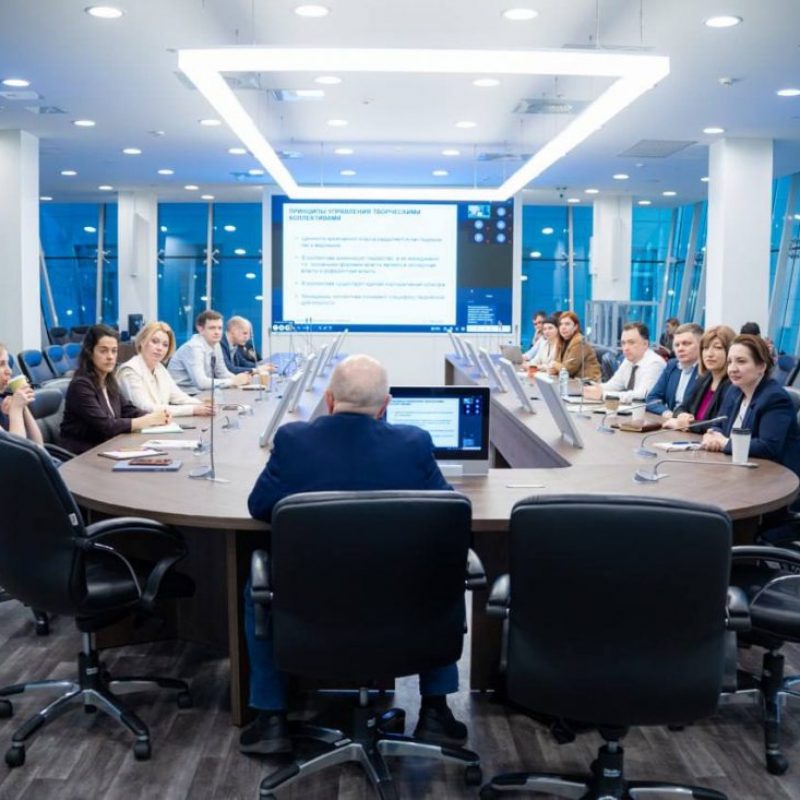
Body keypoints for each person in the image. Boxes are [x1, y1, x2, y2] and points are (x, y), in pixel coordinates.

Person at [242, 355, 466, 755]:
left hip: (311, 607)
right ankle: (435, 710)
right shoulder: (414, 443)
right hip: (402, 607)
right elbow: (446, 510)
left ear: (329, 399)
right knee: (440, 573)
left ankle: (271, 717)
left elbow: (259, 506)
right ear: (385, 406)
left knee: (256, 585)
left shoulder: (293, 441)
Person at [60, 325, 169, 454]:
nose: (110, 356)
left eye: (114, 351)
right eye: (103, 351)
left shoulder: (108, 380)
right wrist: (148, 420)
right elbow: (107, 426)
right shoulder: (81, 385)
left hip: (108, 447)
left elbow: (128, 410)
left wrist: (156, 417)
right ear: (90, 352)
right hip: (83, 455)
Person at [702, 334, 800, 477]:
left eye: (741, 361)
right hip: (739, 468)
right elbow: (719, 423)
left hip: (774, 476)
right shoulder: (734, 390)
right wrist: (711, 435)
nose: (732, 369)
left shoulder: (774, 398)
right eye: (729, 362)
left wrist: (724, 443)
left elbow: (768, 447)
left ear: (761, 366)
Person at [117, 321, 214, 417]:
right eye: (154, 341)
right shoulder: (129, 370)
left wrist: (202, 405)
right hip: (140, 425)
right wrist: (193, 409)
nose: (160, 348)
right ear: (142, 342)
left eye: (165, 345)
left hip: (158, 423)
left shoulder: (160, 368)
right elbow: (146, 408)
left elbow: (178, 396)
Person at [663, 325, 735, 431]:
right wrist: (682, 415)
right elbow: (681, 407)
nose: (709, 354)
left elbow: (720, 424)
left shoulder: (733, 385)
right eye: (705, 348)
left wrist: (687, 425)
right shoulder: (704, 378)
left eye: (718, 347)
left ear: (730, 351)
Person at [583, 322, 665, 405]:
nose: (625, 348)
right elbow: (613, 385)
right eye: (623, 343)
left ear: (645, 344)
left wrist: (603, 395)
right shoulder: (628, 360)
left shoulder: (655, 363)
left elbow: (641, 396)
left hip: (650, 411)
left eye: (631, 342)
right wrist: (593, 388)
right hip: (632, 409)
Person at [168, 310, 252, 390]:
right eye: (212, 328)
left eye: (220, 328)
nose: (217, 332)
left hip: (200, 393)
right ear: (200, 329)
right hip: (186, 395)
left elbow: (222, 373)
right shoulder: (193, 347)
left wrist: (240, 379)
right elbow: (201, 383)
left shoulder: (216, 344)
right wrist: (233, 381)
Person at [646, 323, 702, 417]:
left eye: (686, 344)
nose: (680, 349)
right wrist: (666, 413)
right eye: (676, 345)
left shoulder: (707, 371)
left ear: (701, 345)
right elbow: (652, 398)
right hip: (671, 420)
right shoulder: (672, 366)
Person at [0, 343, 43, 445]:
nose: (9, 371)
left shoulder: (4, 399)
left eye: (8, 364)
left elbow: (38, 445)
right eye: (1, 364)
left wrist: (23, 407)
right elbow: (15, 452)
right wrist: (16, 410)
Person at [548, 311, 601, 381]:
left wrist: (554, 364)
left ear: (575, 327)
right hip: (572, 381)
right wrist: (554, 368)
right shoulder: (563, 342)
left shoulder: (579, 342)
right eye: (561, 324)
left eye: (567, 324)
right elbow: (559, 366)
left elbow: (568, 370)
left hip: (588, 383)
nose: (563, 327)